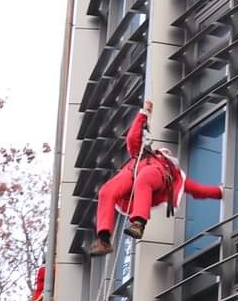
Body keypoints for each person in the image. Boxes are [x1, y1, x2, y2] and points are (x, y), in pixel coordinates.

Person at [91, 100, 223, 254]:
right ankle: (104, 239)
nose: (167, 153)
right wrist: (143, 114)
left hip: (154, 176)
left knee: (145, 178)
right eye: (165, 151)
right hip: (132, 173)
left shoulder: (174, 172)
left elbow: (197, 190)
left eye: (168, 153)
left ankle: (138, 223)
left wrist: (220, 191)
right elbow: (132, 138)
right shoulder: (142, 154)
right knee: (106, 191)